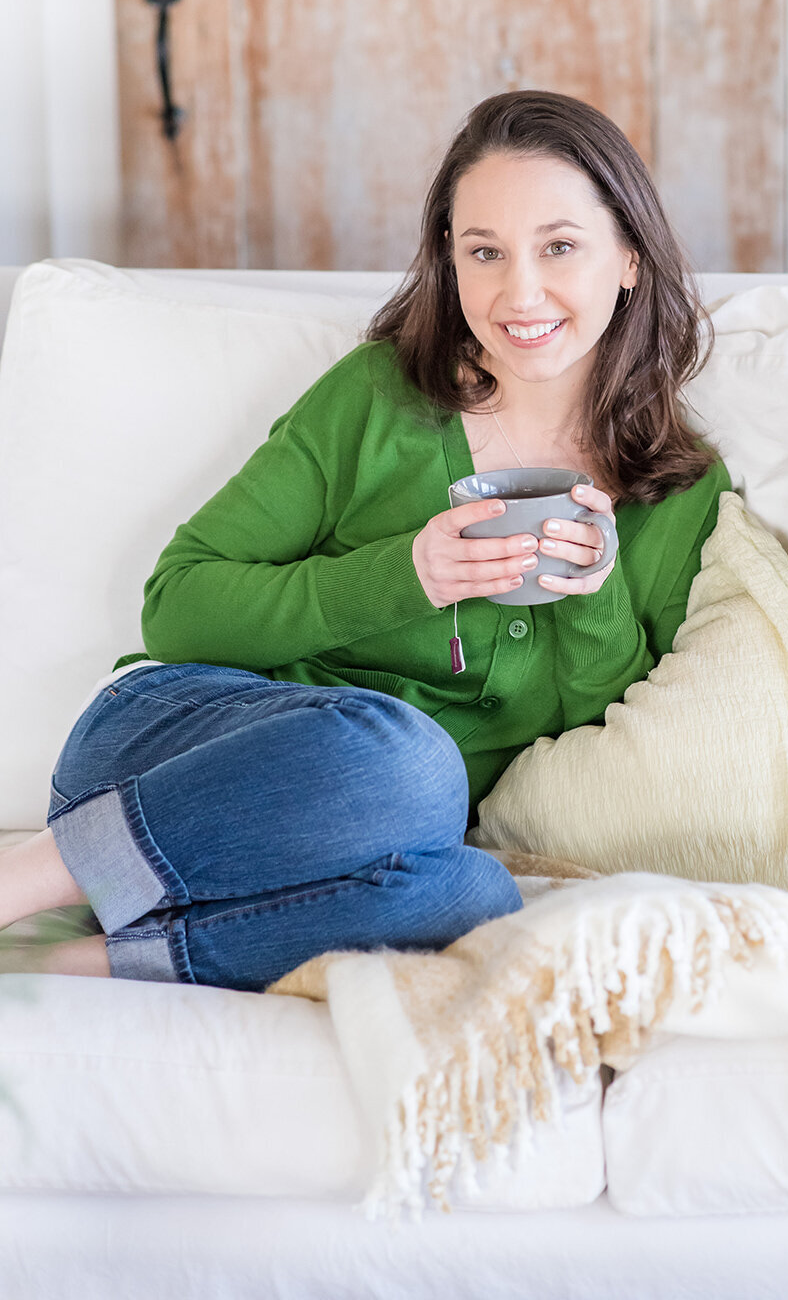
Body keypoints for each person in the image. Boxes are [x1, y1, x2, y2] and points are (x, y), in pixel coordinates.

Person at [0, 90, 731, 992]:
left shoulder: (676, 487)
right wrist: (404, 576)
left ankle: (84, 955)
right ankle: (17, 889)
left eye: (560, 247)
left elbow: (594, 726)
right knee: (414, 762)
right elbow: (177, 609)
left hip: (314, 854)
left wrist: (594, 596)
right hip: (170, 753)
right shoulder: (381, 396)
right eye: (484, 253)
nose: (521, 291)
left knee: (471, 891)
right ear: (451, 265)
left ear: (627, 256)